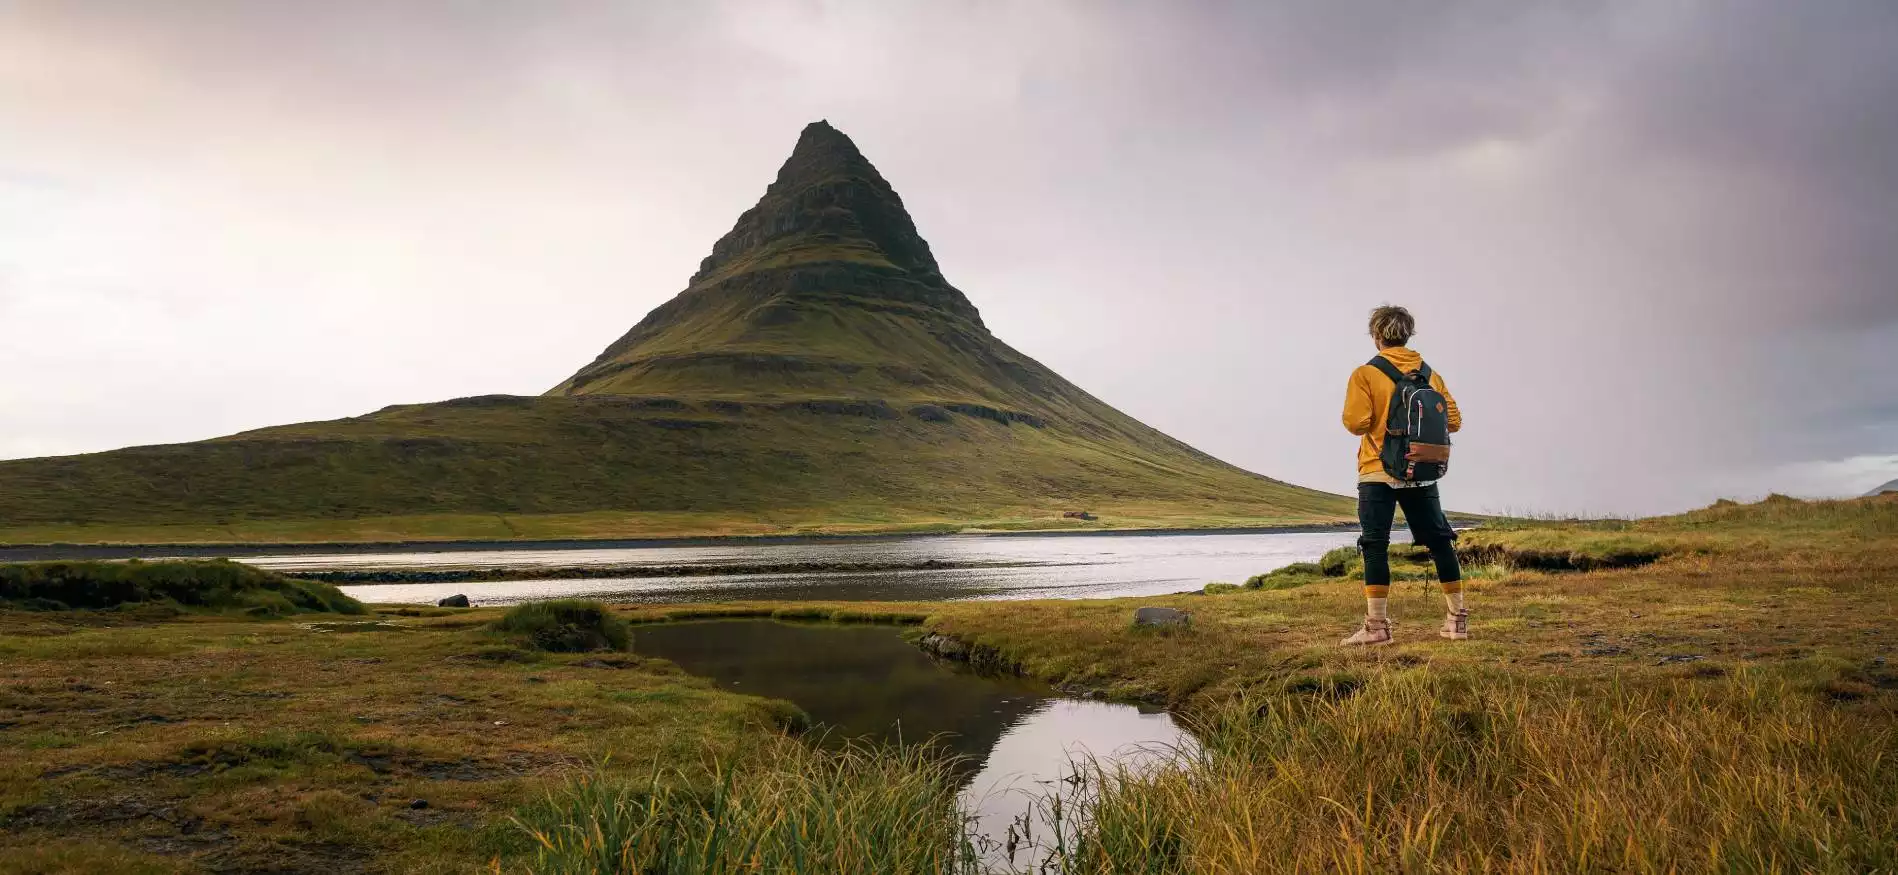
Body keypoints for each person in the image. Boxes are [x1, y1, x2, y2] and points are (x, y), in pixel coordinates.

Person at [1339, 305, 1466, 646]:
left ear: (1376, 335)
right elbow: (1453, 421)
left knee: (1375, 545)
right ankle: (1457, 622)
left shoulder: (1365, 374)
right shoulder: (1430, 375)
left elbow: (1356, 423)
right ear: (1408, 335)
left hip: (1377, 470)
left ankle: (1376, 628)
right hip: (1422, 470)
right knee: (1440, 542)